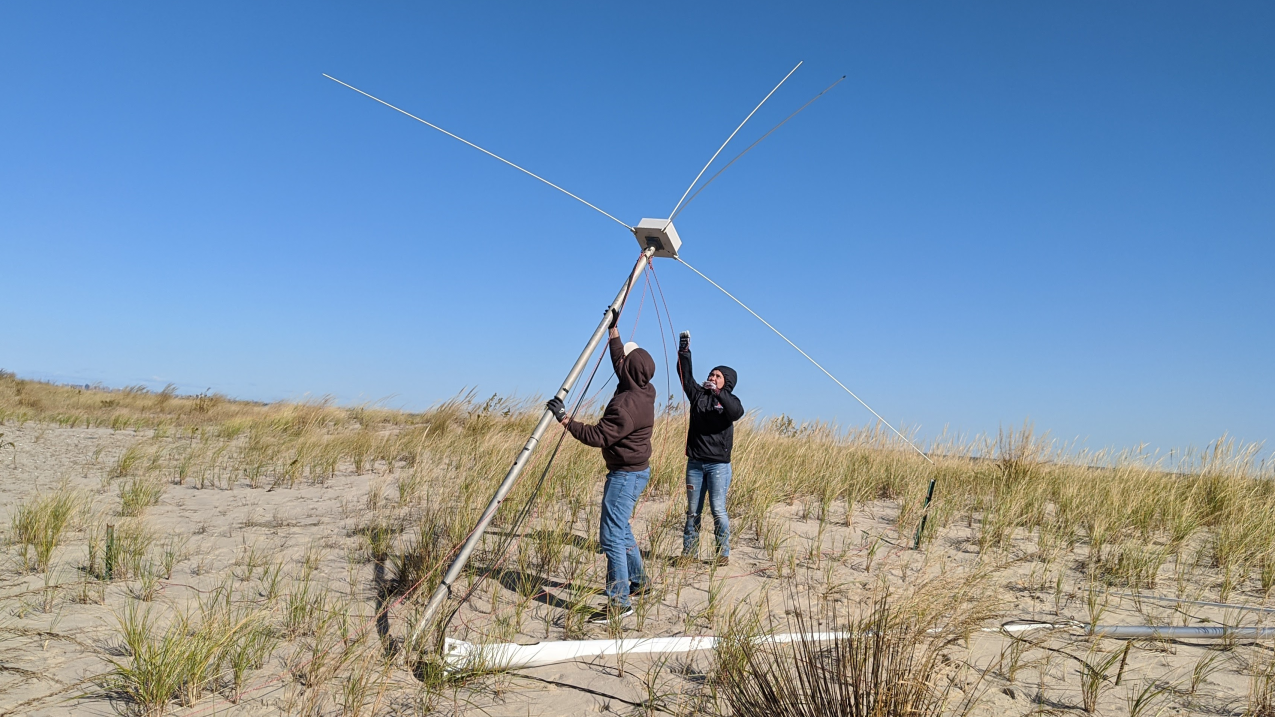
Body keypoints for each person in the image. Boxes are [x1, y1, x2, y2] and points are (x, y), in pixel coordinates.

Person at [546, 319, 656, 622]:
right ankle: (640, 584)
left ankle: (620, 603)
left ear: (630, 372)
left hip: (625, 476)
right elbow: (622, 362)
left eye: (626, 364)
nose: (621, 366)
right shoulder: (645, 387)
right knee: (622, 530)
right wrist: (614, 330)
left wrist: (565, 420)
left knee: (611, 537)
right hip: (635, 471)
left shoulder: (628, 405)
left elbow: (598, 436)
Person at [676, 331, 744, 566]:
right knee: (693, 512)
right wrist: (684, 351)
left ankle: (722, 553)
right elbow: (686, 377)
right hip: (695, 463)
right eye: (711, 374)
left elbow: (736, 413)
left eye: (718, 376)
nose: (712, 377)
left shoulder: (730, 402)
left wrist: (718, 393)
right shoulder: (698, 396)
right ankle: (689, 554)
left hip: (718, 466)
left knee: (718, 511)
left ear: (727, 382)